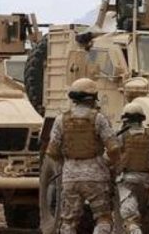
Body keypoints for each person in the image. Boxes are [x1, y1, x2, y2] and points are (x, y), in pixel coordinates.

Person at [46, 78, 121, 234]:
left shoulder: (61, 120)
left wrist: (65, 164)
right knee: (103, 218)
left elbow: (52, 151)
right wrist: (110, 164)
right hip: (96, 177)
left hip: (70, 178)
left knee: (68, 222)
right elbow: (113, 148)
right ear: (92, 98)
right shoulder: (99, 118)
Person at [116, 103, 149, 234]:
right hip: (145, 182)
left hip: (126, 182)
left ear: (125, 119)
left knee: (130, 218)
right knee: (140, 214)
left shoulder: (120, 136)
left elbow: (108, 157)